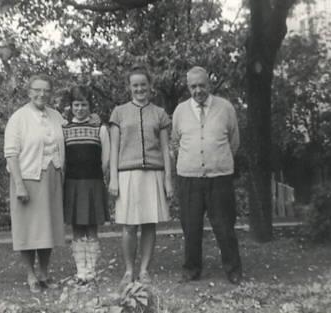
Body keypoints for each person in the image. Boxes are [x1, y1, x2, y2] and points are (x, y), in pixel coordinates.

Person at [171, 66, 242, 284]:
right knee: (191, 227)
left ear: (209, 84)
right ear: (188, 87)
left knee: (224, 226)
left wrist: (217, 160)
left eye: (202, 85)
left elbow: (234, 141)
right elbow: (175, 142)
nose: (198, 90)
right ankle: (192, 269)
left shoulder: (226, 108)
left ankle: (233, 270)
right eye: (193, 86)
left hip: (219, 177)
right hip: (189, 178)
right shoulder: (180, 111)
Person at [109, 64, 173, 286]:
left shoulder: (160, 113)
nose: (139, 89)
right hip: (127, 175)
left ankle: (144, 270)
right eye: (135, 85)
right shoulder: (119, 113)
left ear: (150, 86)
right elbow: (114, 147)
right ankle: (128, 270)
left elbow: (165, 149)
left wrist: (167, 179)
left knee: (149, 224)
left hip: (153, 174)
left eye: (143, 84)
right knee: (128, 225)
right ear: (129, 87)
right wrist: (114, 178)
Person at [4, 74, 65, 293]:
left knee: (48, 228)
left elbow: (69, 137)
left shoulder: (57, 116)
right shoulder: (18, 118)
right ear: (29, 92)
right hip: (28, 178)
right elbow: (11, 153)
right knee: (29, 230)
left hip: (53, 177)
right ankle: (31, 275)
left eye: (46, 91)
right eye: (37, 90)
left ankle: (44, 273)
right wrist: (19, 184)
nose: (42, 94)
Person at [62, 85, 110, 284]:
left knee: (91, 228)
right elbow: (62, 159)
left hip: (93, 183)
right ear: (70, 106)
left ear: (90, 106)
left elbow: (106, 159)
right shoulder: (64, 129)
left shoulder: (100, 129)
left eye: (84, 104)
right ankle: (80, 270)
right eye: (76, 104)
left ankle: (91, 269)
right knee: (77, 228)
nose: (80, 108)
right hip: (72, 183)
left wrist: (102, 178)